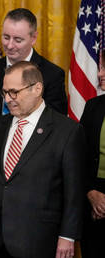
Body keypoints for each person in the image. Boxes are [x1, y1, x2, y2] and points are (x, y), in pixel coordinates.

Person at [0, 61, 86, 258]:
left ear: (37, 88)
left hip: (40, 240)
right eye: (4, 93)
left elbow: (74, 191)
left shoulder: (67, 131)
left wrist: (68, 236)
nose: (8, 99)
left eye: (14, 92)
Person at [0, 8, 67, 115]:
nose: (9, 45)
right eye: (6, 37)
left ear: (33, 38)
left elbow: (56, 122)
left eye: (18, 40)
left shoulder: (53, 75)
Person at [79, 50, 105, 258]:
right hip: (94, 196)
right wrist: (90, 192)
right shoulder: (93, 106)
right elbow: (79, 156)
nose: (99, 74)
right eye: (100, 68)